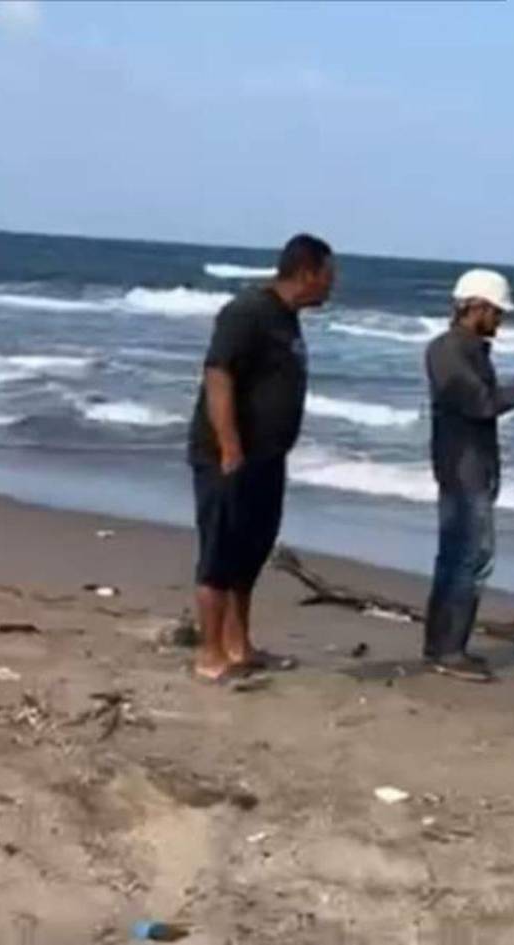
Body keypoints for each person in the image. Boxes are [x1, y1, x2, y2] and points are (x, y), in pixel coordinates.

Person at [187, 234, 335, 682]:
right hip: (228, 457)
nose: (332, 286)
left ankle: (238, 645)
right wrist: (230, 444)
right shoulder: (247, 312)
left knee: (250, 554)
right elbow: (218, 374)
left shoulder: (286, 319)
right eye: (329, 276)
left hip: (267, 459)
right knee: (220, 552)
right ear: (307, 272)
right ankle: (210, 654)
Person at [423, 269, 514, 681]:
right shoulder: (448, 352)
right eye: (495, 312)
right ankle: (447, 650)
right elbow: (480, 403)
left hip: (470, 466)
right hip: (463, 470)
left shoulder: (466, 350)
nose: (500, 320)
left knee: (462, 558)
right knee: (469, 559)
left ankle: (445, 646)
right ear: (474, 307)